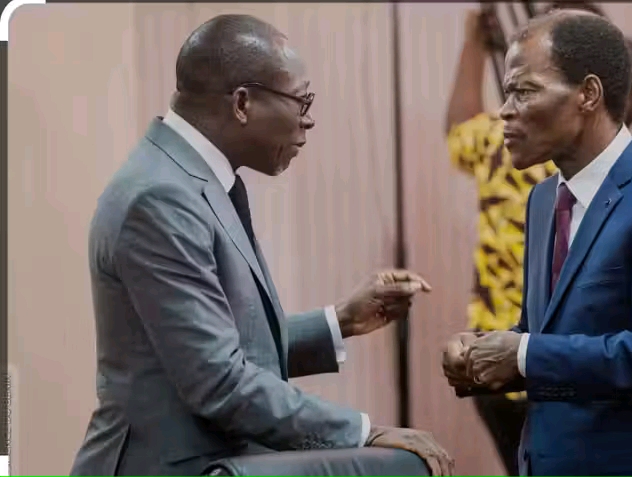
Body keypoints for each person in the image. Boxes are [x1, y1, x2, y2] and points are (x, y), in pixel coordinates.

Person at [70, 14, 453, 477]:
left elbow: (217, 348)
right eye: (301, 100)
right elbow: (218, 379)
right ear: (242, 103)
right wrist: (361, 431)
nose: (308, 119)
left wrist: (341, 321)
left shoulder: (187, 180)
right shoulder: (161, 198)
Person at [443, 9, 632, 475]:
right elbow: (547, 338)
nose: (505, 110)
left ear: (588, 94)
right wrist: (485, 355)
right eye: (508, 92)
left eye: (524, 91)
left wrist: (524, 354)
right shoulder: (543, 200)